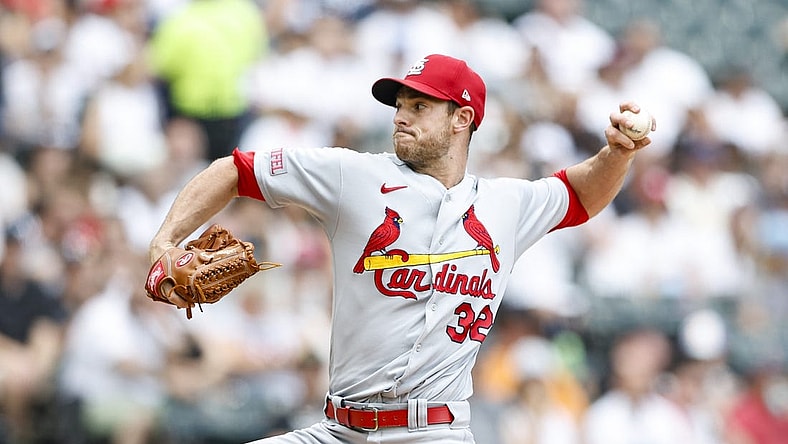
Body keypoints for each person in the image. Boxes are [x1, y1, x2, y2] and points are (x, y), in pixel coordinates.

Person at [147, 53, 655, 443]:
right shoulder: (353, 176)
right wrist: (165, 239)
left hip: (436, 432)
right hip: (338, 428)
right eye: (399, 105)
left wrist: (617, 152)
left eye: (420, 105)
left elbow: (580, 193)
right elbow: (234, 170)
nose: (400, 117)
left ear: (463, 119)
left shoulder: (506, 204)